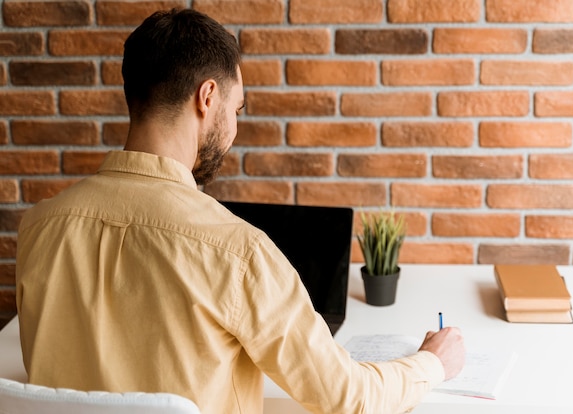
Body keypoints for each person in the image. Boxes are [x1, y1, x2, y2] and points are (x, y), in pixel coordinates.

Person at [15, 8, 465, 414]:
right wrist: (432, 363)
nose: (233, 129)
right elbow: (349, 397)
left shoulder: (38, 228)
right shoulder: (236, 252)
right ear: (206, 97)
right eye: (237, 109)